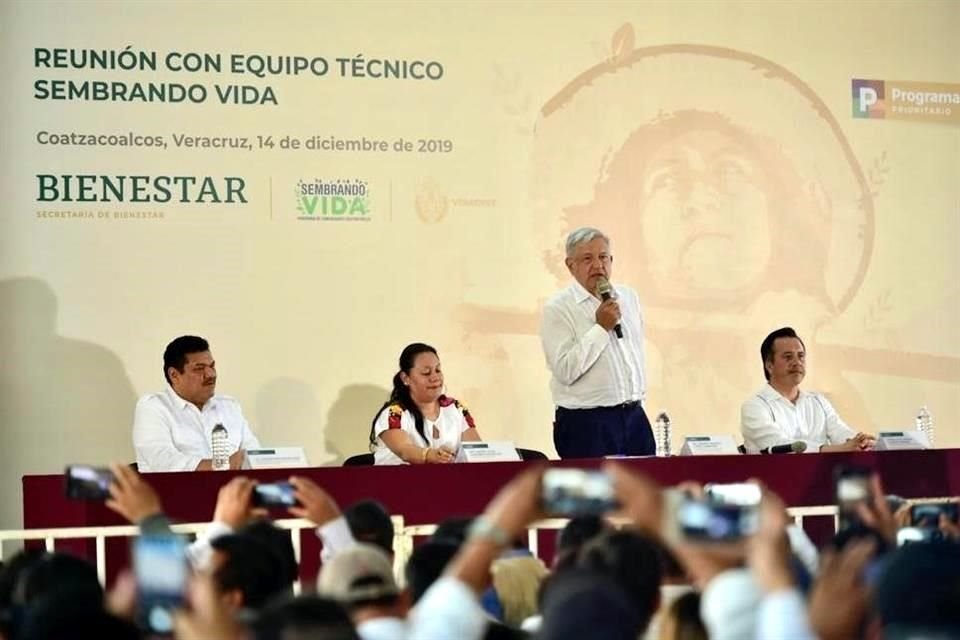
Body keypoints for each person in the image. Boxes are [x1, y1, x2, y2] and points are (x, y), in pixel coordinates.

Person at [540, 227, 655, 458]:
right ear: (570, 265)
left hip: (634, 416)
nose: (597, 265)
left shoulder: (628, 297)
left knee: (644, 489)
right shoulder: (558, 308)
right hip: (587, 424)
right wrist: (601, 328)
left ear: (611, 260)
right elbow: (565, 370)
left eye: (603, 257)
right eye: (587, 259)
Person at [132, 335, 260, 472]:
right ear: (174, 375)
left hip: (229, 491)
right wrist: (222, 465)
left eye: (212, 366)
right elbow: (162, 461)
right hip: (176, 491)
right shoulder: (153, 407)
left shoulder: (229, 407)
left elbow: (254, 456)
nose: (211, 374)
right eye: (199, 368)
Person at [740, 327, 875, 453]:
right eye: (788, 357)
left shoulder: (818, 401)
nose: (797, 362)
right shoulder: (755, 406)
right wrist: (829, 449)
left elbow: (839, 431)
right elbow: (780, 445)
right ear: (769, 365)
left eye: (801, 356)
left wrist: (858, 441)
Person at [369, 342, 482, 465]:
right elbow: (404, 451)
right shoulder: (395, 414)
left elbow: (477, 452)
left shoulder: (456, 409)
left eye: (438, 370)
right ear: (405, 378)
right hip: (399, 482)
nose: (435, 378)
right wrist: (430, 455)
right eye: (426, 373)